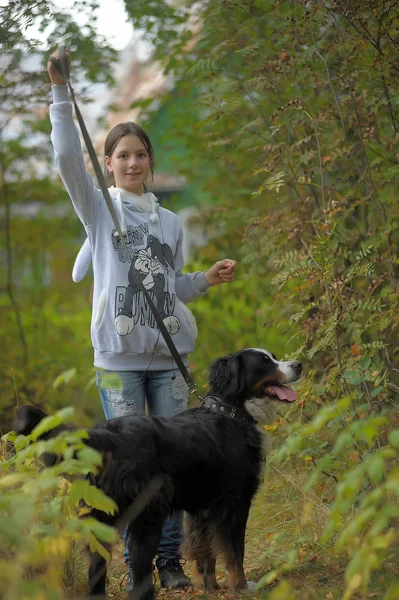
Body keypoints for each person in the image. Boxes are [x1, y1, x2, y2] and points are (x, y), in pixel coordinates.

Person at [47, 48, 237, 593]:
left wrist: (204, 280)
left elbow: (168, 287)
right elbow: (65, 159)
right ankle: (137, 568)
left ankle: (171, 564)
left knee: (174, 468)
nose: (132, 163)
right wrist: (61, 94)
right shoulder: (99, 211)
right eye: (122, 155)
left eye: (140, 155)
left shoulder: (172, 222)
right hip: (118, 362)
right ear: (108, 163)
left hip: (170, 360)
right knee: (131, 472)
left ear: (150, 161)